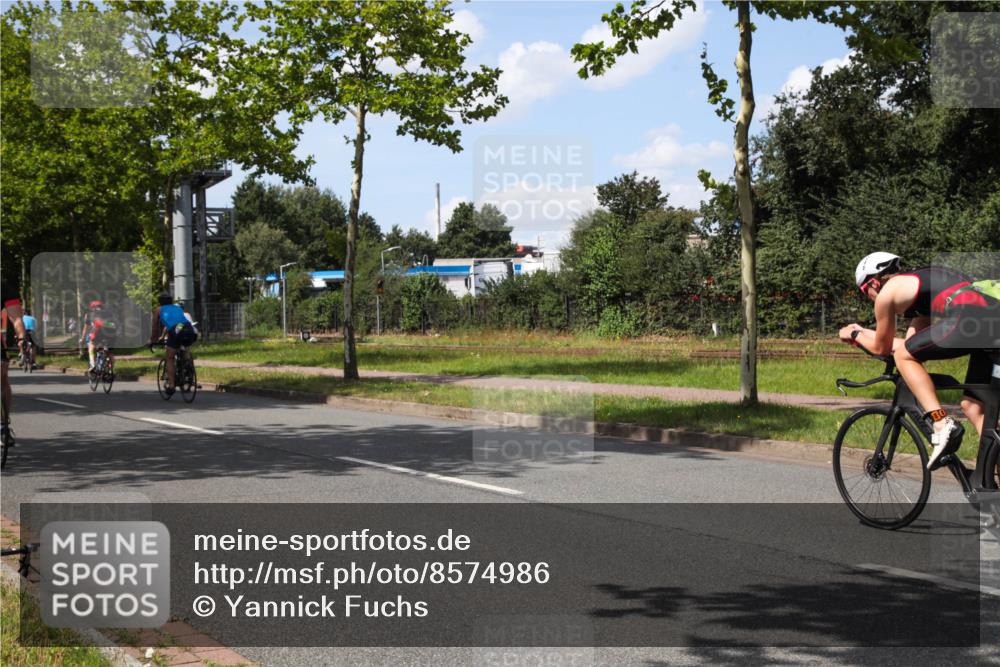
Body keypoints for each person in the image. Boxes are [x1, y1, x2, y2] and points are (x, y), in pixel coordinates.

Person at [840, 252, 998, 469]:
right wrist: (867, 333)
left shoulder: (888, 293)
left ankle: (942, 423)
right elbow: (908, 345)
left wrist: (854, 335)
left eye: (864, 291)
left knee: (904, 356)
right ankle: (991, 486)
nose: (868, 297)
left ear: (873, 281)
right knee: (972, 407)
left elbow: (884, 348)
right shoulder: (919, 286)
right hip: (989, 320)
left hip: (969, 317)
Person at [149, 293, 197, 395]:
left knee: (169, 358)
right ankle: (188, 369)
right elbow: (178, 322)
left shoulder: (158, 310)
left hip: (176, 330)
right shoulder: (177, 308)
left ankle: (171, 385)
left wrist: (153, 340)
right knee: (184, 348)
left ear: (160, 302)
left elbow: (155, 327)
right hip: (188, 329)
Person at [1, 281, 27, 424]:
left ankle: (3, 422)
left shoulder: (3, 288)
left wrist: (22, 338)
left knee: (2, 377)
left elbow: (16, 318)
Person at [80, 300, 116, 372]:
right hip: (111, 334)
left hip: (98, 333)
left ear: (92, 308)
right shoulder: (109, 313)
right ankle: (111, 370)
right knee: (110, 352)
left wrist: (82, 339)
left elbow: (85, 329)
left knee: (91, 346)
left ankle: (93, 365)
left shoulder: (90, 315)